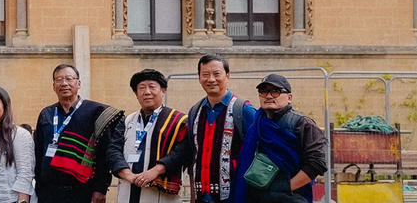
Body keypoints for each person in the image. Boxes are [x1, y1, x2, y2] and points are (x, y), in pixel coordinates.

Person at [166, 54, 260, 203]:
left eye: (216, 74)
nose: (211, 79)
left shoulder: (243, 110)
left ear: (227, 76)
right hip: (201, 196)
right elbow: (192, 154)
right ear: (199, 78)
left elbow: (260, 151)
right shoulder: (195, 111)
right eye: (205, 74)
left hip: (236, 195)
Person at [32, 64, 125, 203]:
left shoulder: (95, 112)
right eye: (59, 79)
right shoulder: (46, 113)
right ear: (53, 85)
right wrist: (38, 185)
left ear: (78, 83)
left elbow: (103, 154)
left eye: (69, 79)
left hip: (82, 190)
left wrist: (101, 188)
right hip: (48, 191)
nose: (64, 83)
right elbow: (38, 150)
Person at [243, 74, 327, 203]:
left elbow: (317, 163)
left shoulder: (303, 124)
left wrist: (287, 187)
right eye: (263, 92)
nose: (269, 96)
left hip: (291, 196)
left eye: (275, 91)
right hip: (258, 194)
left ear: (289, 98)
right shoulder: (256, 123)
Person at [111, 70, 189, 203]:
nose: (147, 92)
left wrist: (156, 170)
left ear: (163, 91)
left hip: (160, 194)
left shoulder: (178, 121)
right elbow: (113, 150)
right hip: (128, 188)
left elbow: (183, 151)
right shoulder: (126, 120)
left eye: (152, 87)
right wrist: (127, 174)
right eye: (141, 88)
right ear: (136, 94)